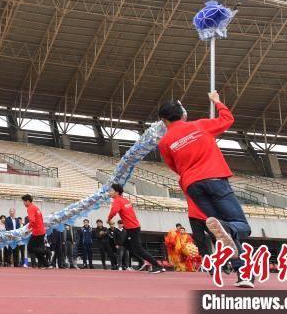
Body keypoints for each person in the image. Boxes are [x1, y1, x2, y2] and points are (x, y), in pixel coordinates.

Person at [157, 91, 252, 288]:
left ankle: (243, 273)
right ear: (183, 114)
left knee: (223, 232)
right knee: (242, 226)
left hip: (192, 185)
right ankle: (238, 258)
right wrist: (217, 101)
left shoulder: (164, 142)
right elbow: (227, 119)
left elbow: (174, 166)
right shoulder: (199, 125)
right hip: (215, 179)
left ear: (164, 121)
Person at [107, 183, 165, 274]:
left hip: (132, 229)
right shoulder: (125, 200)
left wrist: (108, 219)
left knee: (138, 249)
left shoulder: (117, 200)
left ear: (117, 192)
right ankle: (142, 261)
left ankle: (158, 266)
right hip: (133, 227)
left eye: (111, 191)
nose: (109, 192)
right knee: (125, 245)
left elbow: (113, 211)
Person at [21, 194, 50, 268]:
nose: (23, 203)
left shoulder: (30, 208)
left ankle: (46, 252)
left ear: (27, 201)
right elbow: (40, 220)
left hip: (37, 232)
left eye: (24, 202)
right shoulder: (36, 208)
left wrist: (28, 230)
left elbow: (32, 221)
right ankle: (46, 264)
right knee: (36, 250)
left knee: (30, 248)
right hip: (41, 231)